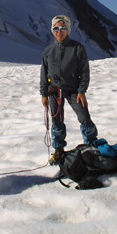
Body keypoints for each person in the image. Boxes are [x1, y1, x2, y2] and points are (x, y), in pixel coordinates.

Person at [40, 15, 98, 165]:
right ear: (52, 30)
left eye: (63, 28)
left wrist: (81, 91)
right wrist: (44, 93)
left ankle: (91, 145)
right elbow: (44, 73)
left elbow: (84, 71)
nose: (59, 31)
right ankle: (59, 150)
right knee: (56, 120)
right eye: (56, 28)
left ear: (68, 30)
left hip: (73, 90)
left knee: (84, 116)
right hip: (54, 91)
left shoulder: (77, 48)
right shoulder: (48, 51)